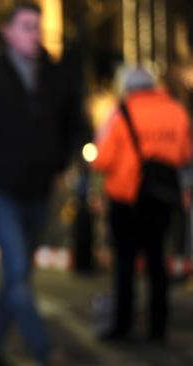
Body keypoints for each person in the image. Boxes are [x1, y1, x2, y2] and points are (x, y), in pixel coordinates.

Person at [0, 3, 82, 365]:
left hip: (38, 192)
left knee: (16, 277)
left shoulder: (55, 77)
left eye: (37, 27)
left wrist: (60, 159)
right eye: (25, 26)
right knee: (18, 271)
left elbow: (75, 124)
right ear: (7, 32)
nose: (33, 34)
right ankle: (45, 351)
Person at [92, 67, 192, 341]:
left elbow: (102, 158)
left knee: (125, 264)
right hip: (160, 198)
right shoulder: (176, 110)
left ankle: (123, 324)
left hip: (126, 198)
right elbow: (185, 152)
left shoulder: (119, 113)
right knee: (157, 259)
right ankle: (158, 325)